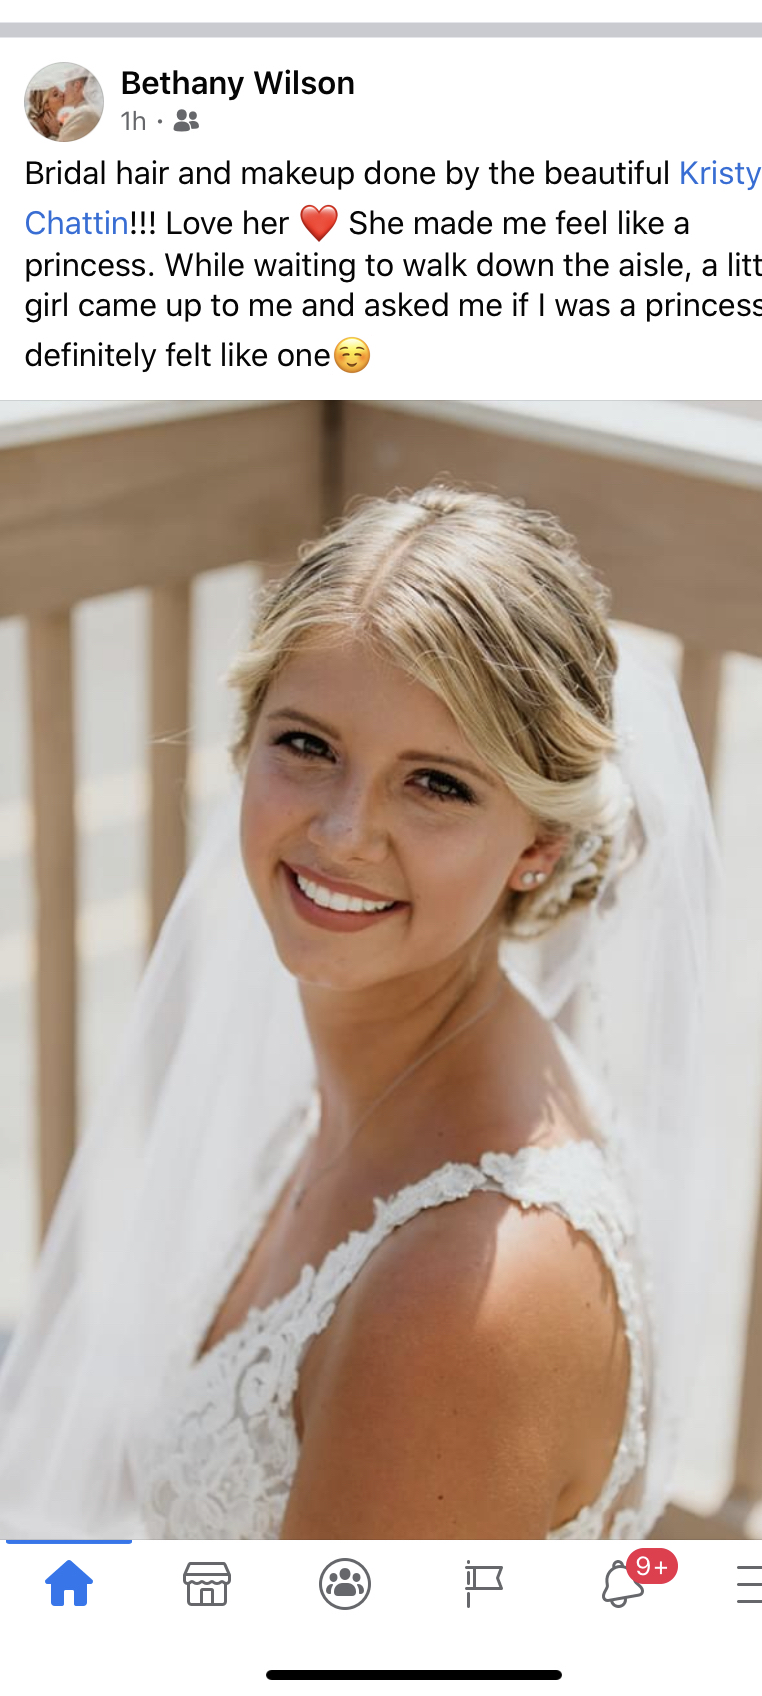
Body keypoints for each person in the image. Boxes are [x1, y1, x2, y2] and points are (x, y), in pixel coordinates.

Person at [0, 484, 719, 1541]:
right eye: (308, 745)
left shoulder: (465, 1296)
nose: (343, 832)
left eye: (436, 783)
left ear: (538, 847)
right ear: (247, 740)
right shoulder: (362, 1080)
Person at [57, 69, 100, 141]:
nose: (63, 93)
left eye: (66, 87)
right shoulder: (90, 111)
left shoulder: (83, 113)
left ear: (77, 86)